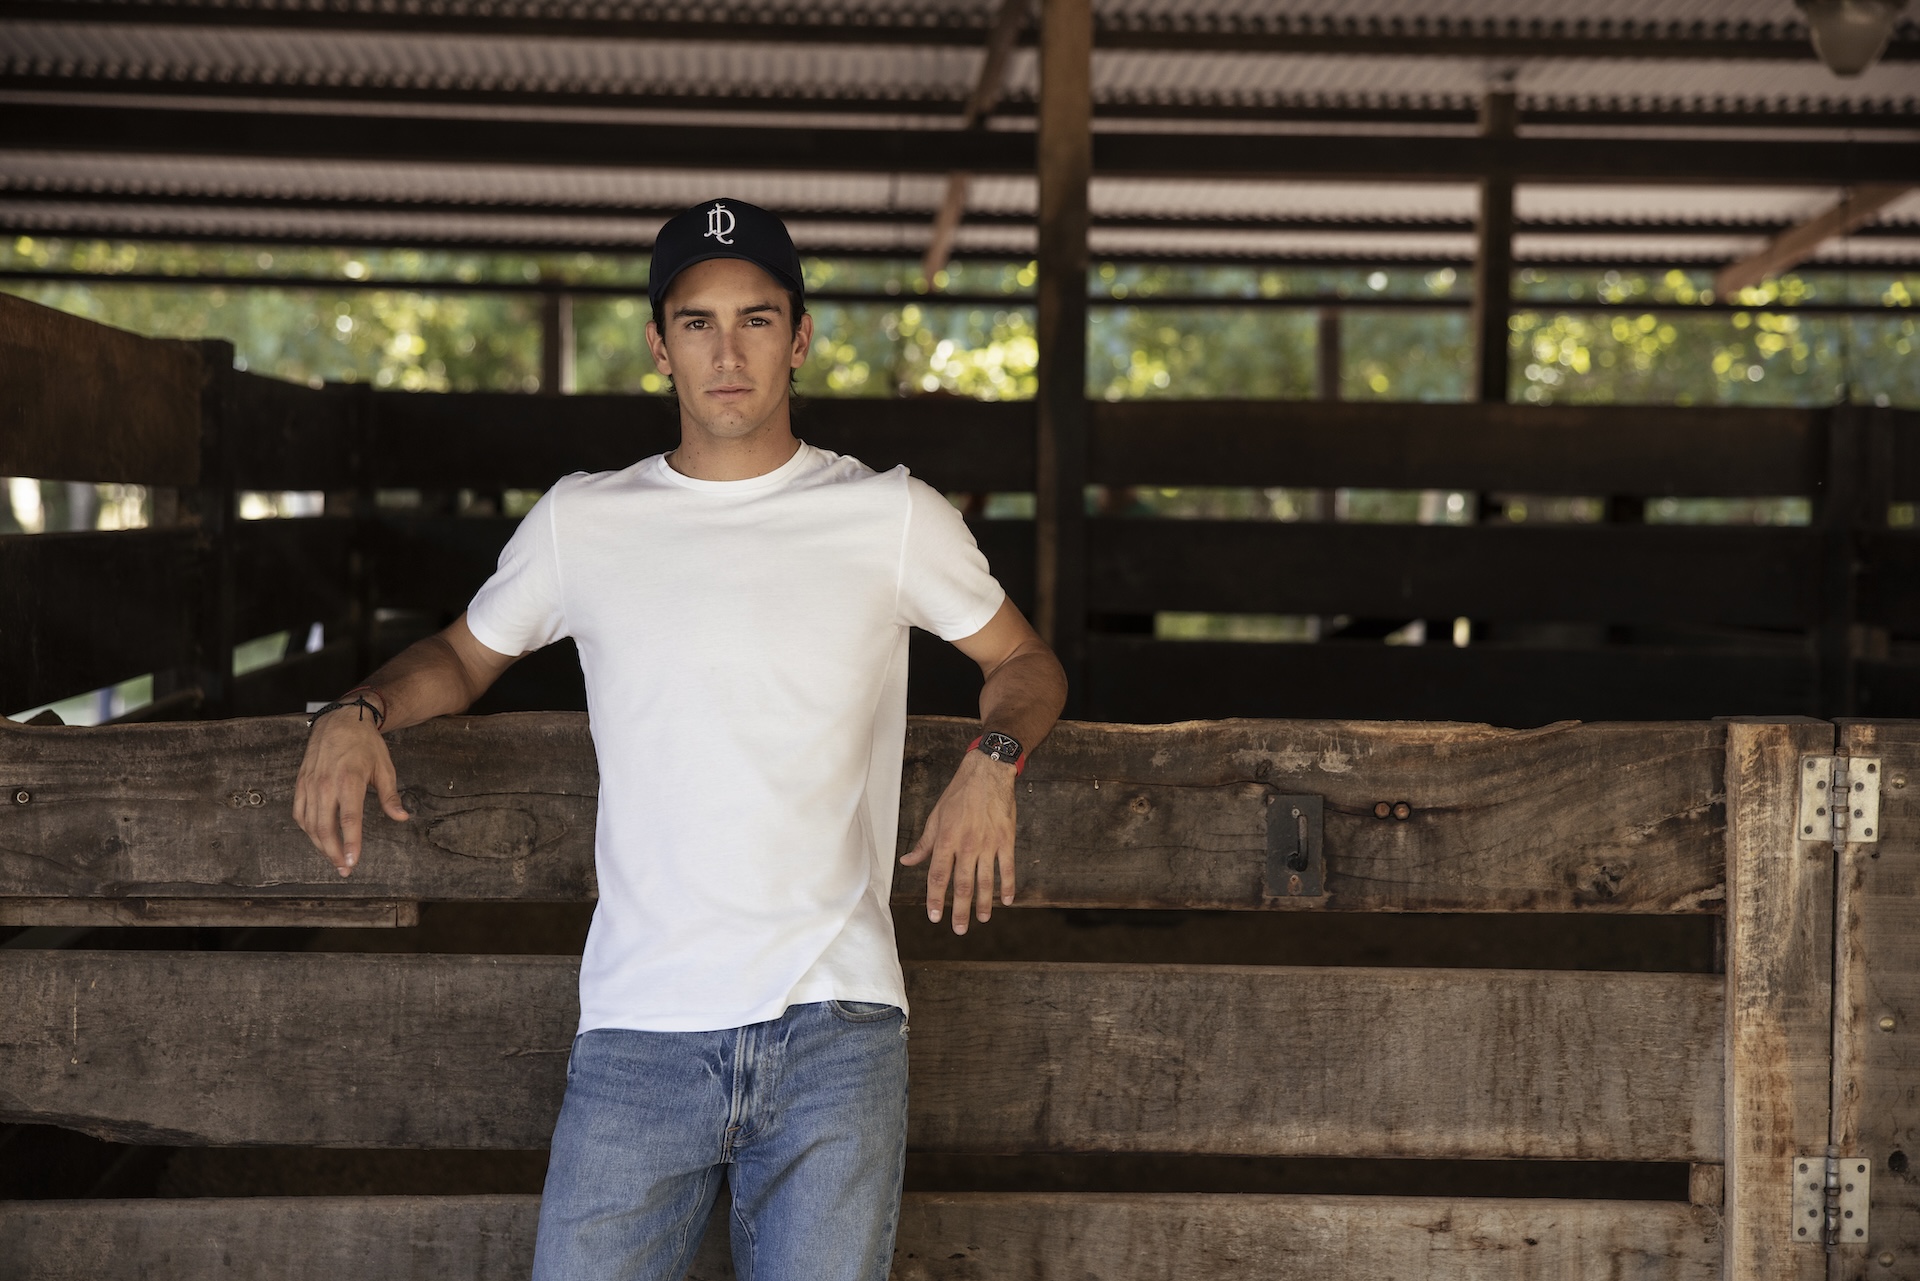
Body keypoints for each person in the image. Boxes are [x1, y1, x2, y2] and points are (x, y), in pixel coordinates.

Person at [292, 196, 1068, 1281]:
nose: (728, 351)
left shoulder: (889, 516)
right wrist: (356, 711)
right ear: (660, 344)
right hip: (638, 1031)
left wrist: (995, 766)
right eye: (697, 322)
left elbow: (1026, 664)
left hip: (834, 1025)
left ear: (800, 336)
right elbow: (462, 660)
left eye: (757, 319)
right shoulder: (584, 521)